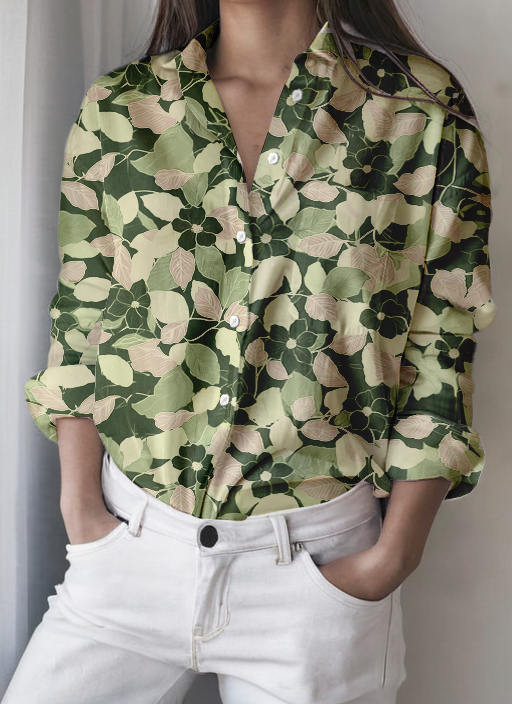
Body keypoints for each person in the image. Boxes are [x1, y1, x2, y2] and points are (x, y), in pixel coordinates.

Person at [3, 0, 496, 703]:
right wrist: (82, 514)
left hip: (319, 573)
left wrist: (391, 559)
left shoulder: (420, 112)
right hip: (128, 551)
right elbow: (83, 319)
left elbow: (441, 346)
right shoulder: (120, 108)